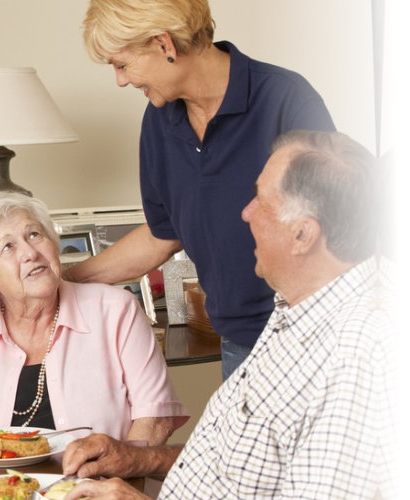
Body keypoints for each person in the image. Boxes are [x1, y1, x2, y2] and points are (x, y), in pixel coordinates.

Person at [59, 130, 390, 500]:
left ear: (302, 235)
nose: (245, 213)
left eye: (261, 200)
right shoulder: (298, 309)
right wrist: (140, 459)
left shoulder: (363, 354)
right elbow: (239, 467)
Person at [67, 0, 338, 380]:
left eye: (122, 64)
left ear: (164, 45)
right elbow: (163, 236)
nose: (121, 80)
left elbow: (335, 233)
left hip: (310, 341)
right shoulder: (160, 121)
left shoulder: (286, 99)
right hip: (237, 343)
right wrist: (65, 280)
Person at [0, 193, 188, 443]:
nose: (30, 253)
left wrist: (116, 480)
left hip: (99, 485)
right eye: (8, 247)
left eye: (35, 235)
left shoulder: (116, 312)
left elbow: (155, 421)